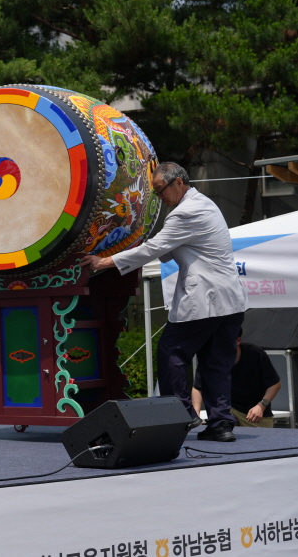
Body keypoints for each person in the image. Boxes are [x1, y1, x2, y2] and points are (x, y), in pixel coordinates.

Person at [81, 162, 247, 442]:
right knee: (216, 364)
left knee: (172, 353)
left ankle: (182, 413)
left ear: (179, 182)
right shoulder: (204, 204)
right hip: (230, 301)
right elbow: (167, 250)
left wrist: (104, 261)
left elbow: (155, 248)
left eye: (160, 190)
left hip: (204, 299)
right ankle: (221, 425)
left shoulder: (185, 212)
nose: (160, 197)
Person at [192, 329, 281, 428]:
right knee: (221, 432)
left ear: (238, 340)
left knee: (264, 437)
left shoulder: (255, 353)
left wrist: (261, 406)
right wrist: (196, 415)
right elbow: (198, 387)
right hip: (226, 409)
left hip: (253, 412)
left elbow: (274, 385)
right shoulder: (210, 357)